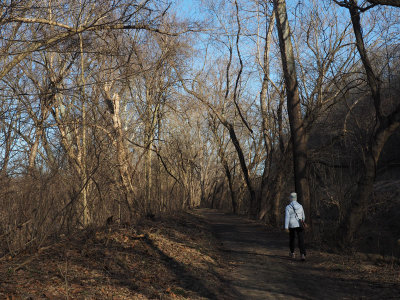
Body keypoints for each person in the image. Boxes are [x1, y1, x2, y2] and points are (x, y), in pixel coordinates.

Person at [284, 192, 306, 261]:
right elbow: (303, 217)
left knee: (292, 239)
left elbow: (287, 217)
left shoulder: (288, 207)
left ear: (290, 198)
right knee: (301, 239)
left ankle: (292, 253)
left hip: (291, 225)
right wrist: (302, 221)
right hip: (299, 224)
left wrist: (286, 227)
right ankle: (302, 254)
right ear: (296, 198)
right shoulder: (300, 206)